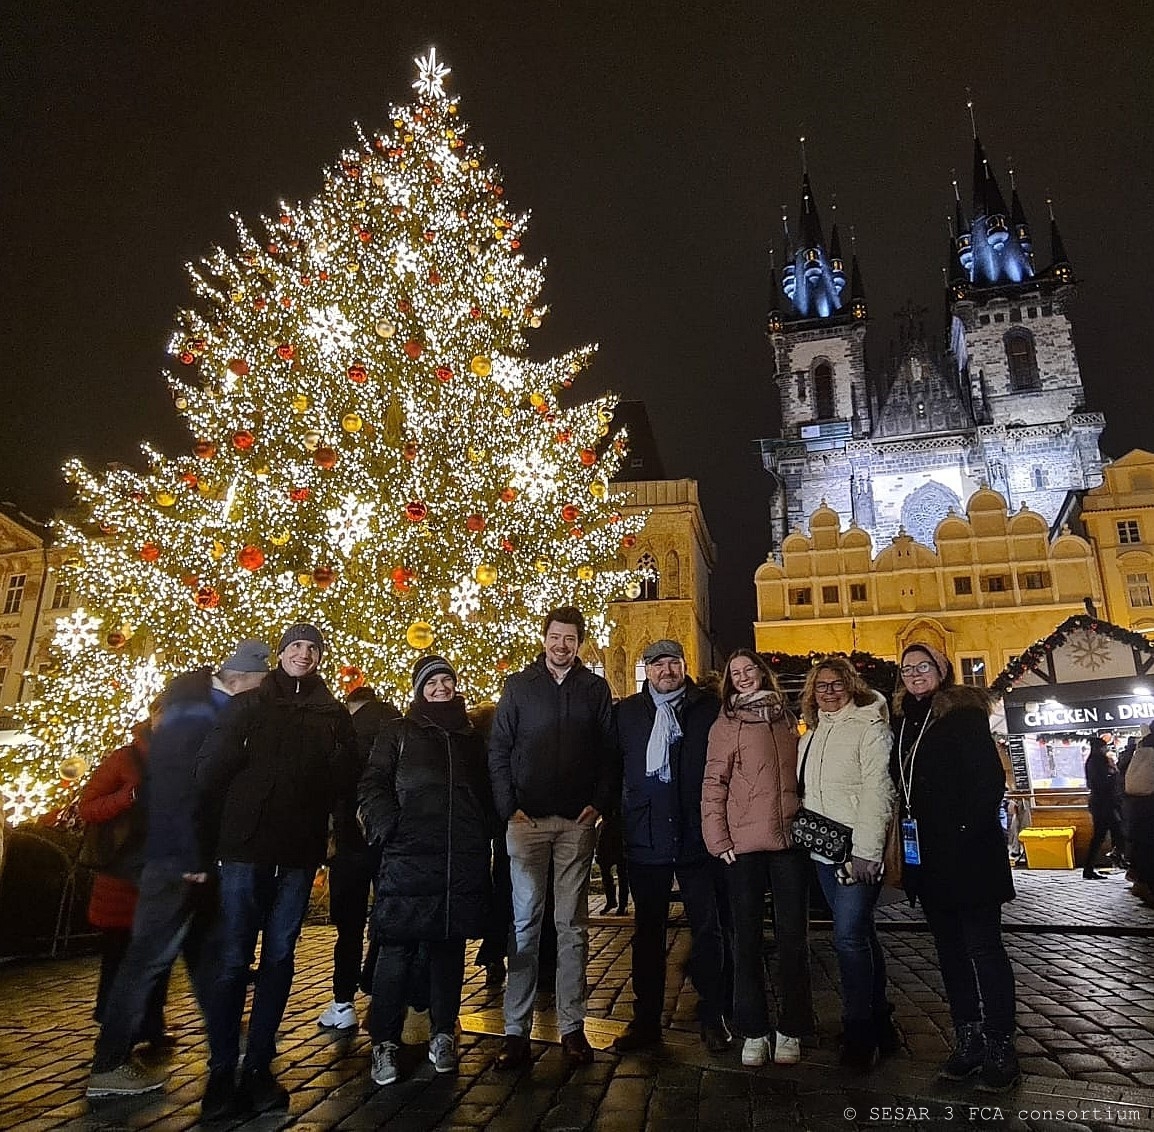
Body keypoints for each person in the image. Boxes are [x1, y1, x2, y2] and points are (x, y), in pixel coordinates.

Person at [86, 642, 270, 1109]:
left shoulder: (204, 706)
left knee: (208, 960)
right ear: (238, 679)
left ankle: (227, 1045)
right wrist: (188, 854)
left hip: (194, 860)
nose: (261, 694)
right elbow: (174, 787)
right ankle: (108, 1063)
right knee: (147, 960)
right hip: (177, 862)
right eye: (258, 684)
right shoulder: (194, 711)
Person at [195, 623, 358, 1115]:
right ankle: (222, 1069)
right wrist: (205, 839)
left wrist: (334, 823)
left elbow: (345, 779)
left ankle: (259, 1065)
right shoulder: (249, 706)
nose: (303, 654)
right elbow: (210, 771)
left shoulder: (331, 714)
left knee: (280, 956)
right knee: (233, 957)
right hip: (245, 846)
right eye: (295, 646)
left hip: (297, 851)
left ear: (320, 656)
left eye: (312, 647)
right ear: (282, 652)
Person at [488, 606, 616, 1070]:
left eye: (570, 639)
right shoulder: (520, 686)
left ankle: (572, 1027)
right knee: (525, 925)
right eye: (555, 637)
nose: (562, 645)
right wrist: (509, 807)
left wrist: (598, 802)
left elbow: (609, 751)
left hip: (575, 823)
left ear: (579, 643)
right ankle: (515, 1031)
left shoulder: (593, 689)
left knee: (572, 927)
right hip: (528, 823)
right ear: (544, 638)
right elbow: (499, 748)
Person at [358, 655, 495, 1085]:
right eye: (432, 681)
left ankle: (442, 1032)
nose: (441, 687)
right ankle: (385, 1041)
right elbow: (373, 783)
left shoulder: (470, 738)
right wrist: (390, 827)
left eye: (446, 680)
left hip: (458, 858)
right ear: (419, 688)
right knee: (395, 950)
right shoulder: (398, 732)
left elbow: (486, 791)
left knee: (447, 949)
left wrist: (482, 830)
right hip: (409, 856)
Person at [891, 642, 1018, 1092]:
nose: (915, 674)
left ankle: (1001, 1045)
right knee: (949, 953)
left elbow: (989, 781)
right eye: (907, 668)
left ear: (942, 670)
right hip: (928, 858)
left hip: (969, 855)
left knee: (984, 949)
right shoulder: (905, 721)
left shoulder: (963, 714)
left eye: (923, 666)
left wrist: (963, 831)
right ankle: (969, 1040)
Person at [611, 639, 730, 1055]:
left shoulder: (707, 708)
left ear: (684, 666)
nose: (667, 671)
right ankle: (645, 1021)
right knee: (648, 935)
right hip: (647, 837)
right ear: (647, 670)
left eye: (673, 663)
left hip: (697, 837)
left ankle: (714, 1017)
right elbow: (612, 766)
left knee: (708, 931)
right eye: (658, 664)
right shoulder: (628, 713)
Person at [702, 648, 811, 1068]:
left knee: (793, 939)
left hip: (788, 843)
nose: (745, 676)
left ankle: (792, 1026)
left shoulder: (785, 717)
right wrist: (717, 838)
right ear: (730, 682)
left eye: (750, 669)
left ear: (762, 673)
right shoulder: (726, 723)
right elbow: (714, 782)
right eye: (737, 673)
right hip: (743, 846)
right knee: (746, 941)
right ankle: (753, 1029)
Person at [797, 656, 897, 1070]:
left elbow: (879, 790)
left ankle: (859, 1031)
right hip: (824, 850)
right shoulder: (811, 735)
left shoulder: (870, 728)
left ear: (851, 686)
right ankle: (880, 1020)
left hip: (857, 850)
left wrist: (867, 851)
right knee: (861, 934)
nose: (830, 692)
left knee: (848, 938)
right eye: (821, 686)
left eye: (837, 684)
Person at [78, 714, 168, 1057]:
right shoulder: (125, 758)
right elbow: (88, 807)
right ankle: (112, 1033)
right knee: (119, 956)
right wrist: (127, 796)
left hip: (160, 872)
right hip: (122, 874)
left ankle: (151, 1024)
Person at [317, 685, 401, 1031]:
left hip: (350, 843)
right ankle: (382, 992)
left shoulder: (345, 734)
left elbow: (329, 784)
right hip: (390, 839)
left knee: (348, 927)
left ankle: (343, 1002)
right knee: (389, 919)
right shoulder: (398, 730)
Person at [1083, 737, 1125, 879]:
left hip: (1100, 804)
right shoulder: (1098, 761)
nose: (1106, 749)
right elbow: (1103, 783)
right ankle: (1116, 857)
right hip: (1104, 804)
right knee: (1112, 833)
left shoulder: (1092, 761)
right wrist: (1114, 773)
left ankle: (1114, 857)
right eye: (1104, 747)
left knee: (1106, 834)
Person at [594, 811, 629, 916]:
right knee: (606, 872)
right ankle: (611, 901)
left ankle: (622, 904)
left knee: (622, 872)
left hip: (621, 830)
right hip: (607, 830)